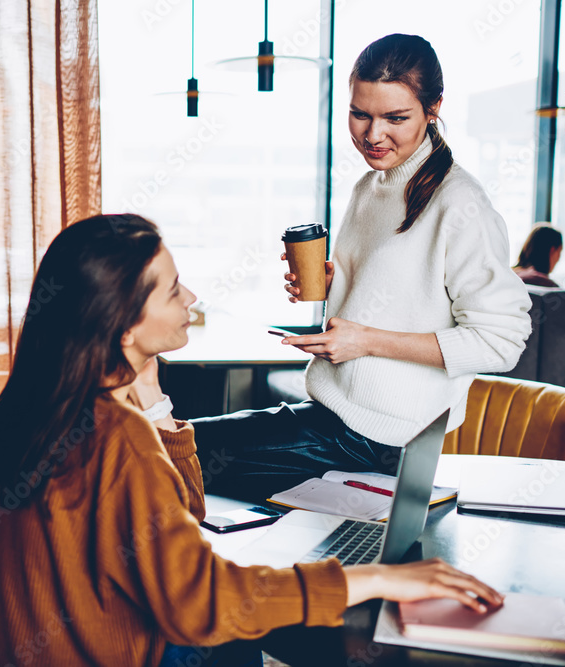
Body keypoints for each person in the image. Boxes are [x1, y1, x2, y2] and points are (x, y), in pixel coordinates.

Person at [0, 214, 504, 667]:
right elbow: (201, 602)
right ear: (123, 329)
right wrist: (375, 580)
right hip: (115, 652)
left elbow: (181, 512)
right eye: (172, 289)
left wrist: (152, 395)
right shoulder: (118, 438)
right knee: (238, 626)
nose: (191, 297)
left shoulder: (42, 408)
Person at [189, 34, 533, 501]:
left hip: (378, 443)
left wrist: (365, 341)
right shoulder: (370, 186)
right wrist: (341, 281)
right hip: (333, 416)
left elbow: (501, 342)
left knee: (174, 455)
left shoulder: (460, 205)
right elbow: (404, 288)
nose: (373, 135)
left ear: (434, 108)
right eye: (360, 114)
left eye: (396, 118)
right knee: (174, 450)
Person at [513, 223, 563, 287]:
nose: (558, 259)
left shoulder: (508, 274)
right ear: (552, 251)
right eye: (559, 252)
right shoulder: (548, 286)